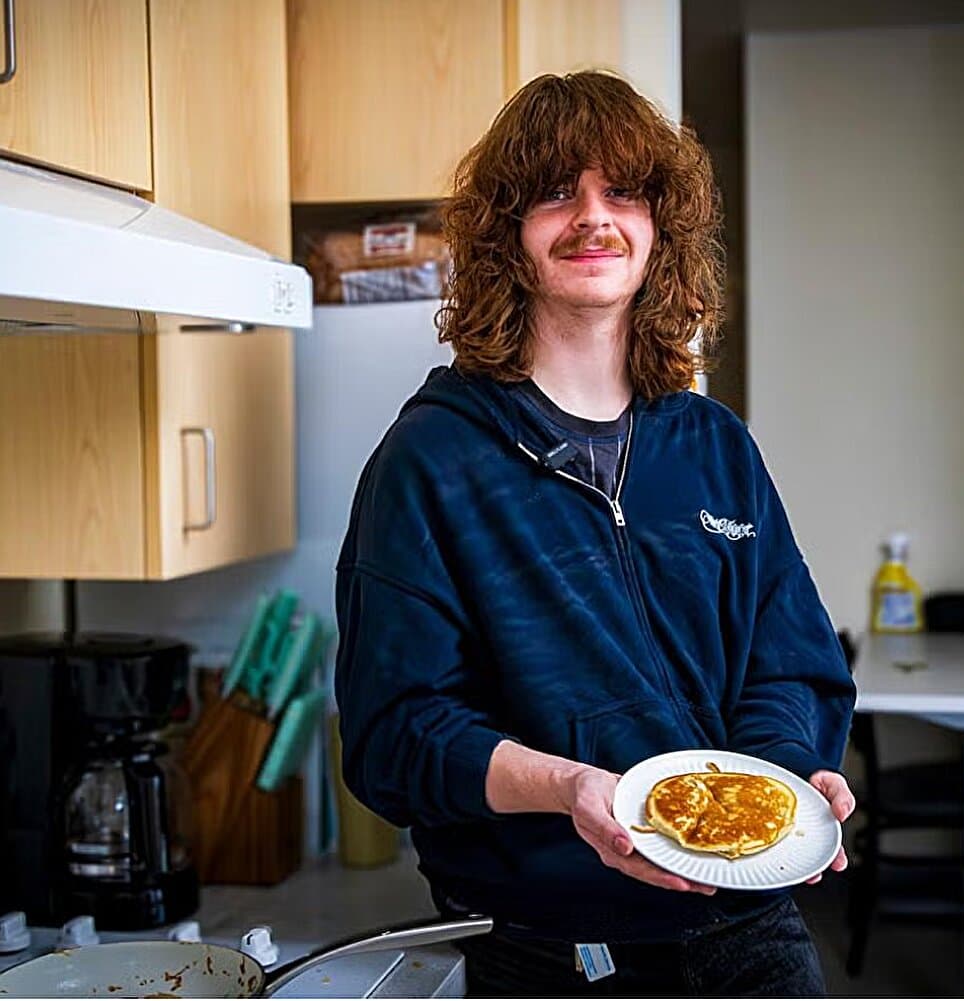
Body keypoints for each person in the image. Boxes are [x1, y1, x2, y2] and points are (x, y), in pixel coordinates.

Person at [334, 70, 856, 997]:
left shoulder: (713, 443)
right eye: (555, 192)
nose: (593, 216)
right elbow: (396, 734)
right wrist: (571, 787)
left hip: (749, 930)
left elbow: (792, 662)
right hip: (548, 946)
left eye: (623, 192)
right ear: (507, 235)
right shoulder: (433, 462)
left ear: (660, 232)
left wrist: (771, 794)